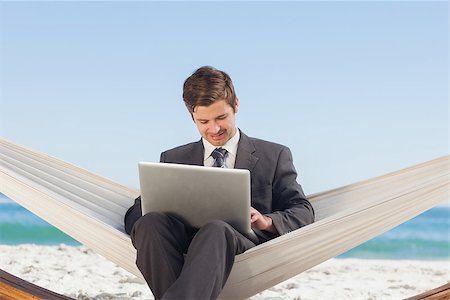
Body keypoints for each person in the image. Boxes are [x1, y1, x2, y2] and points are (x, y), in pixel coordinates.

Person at [124, 66, 314, 300]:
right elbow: (135, 215)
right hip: (183, 242)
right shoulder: (173, 158)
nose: (214, 129)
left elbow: (303, 210)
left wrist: (266, 221)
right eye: (203, 121)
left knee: (216, 228)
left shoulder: (273, 155)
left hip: (239, 245)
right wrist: (157, 205)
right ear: (191, 116)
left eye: (221, 118)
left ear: (235, 105)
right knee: (149, 223)